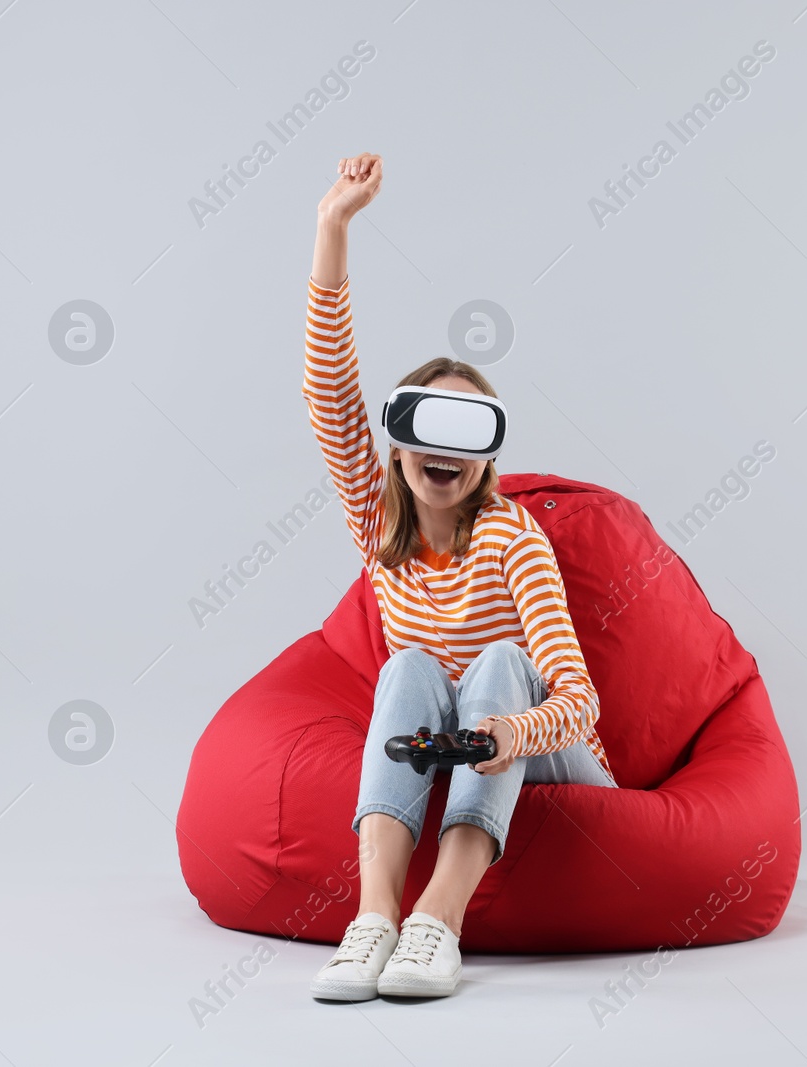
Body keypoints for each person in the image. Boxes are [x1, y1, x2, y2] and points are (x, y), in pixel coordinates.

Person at [304, 153, 617, 1001]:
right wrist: (333, 228)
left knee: (498, 665)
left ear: (484, 461)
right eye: (425, 433)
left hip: (548, 751)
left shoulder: (514, 537)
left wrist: (508, 732)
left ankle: (437, 919)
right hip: (451, 733)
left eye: (464, 437)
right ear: (398, 448)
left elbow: (581, 703)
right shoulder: (379, 526)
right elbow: (330, 395)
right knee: (405, 666)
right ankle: (374, 920)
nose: (442, 455)